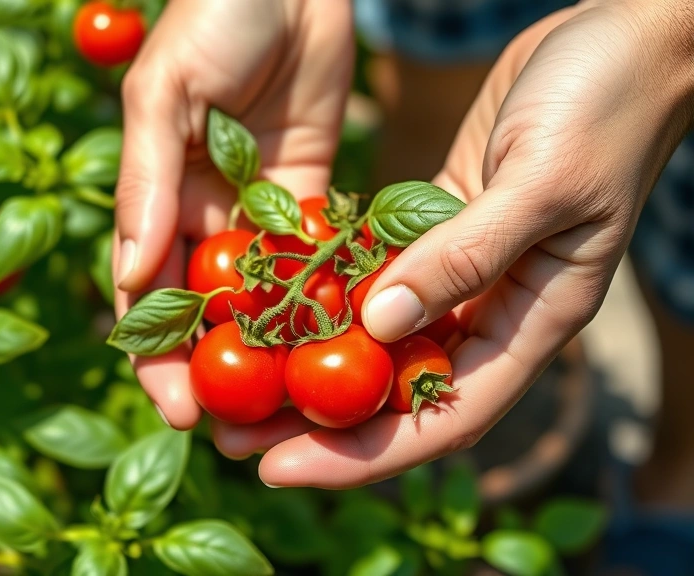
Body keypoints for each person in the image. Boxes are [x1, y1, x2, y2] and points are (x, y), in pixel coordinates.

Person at [112, 2, 694, 571]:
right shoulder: (325, 297)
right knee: (434, 79)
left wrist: (669, 38)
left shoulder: (285, 293)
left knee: (684, 260)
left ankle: (679, 477)